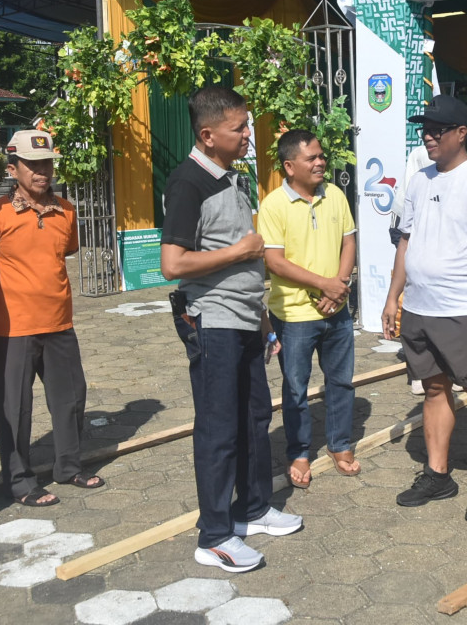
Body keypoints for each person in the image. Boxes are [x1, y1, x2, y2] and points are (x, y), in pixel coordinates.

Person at [160, 86, 301, 573]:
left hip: (246, 318)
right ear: (207, 134)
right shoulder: (188, 182)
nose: (248, 136)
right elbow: (172, 263)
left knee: (255, 417)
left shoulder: (234, 178)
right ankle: (215, 535)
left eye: (247, 126)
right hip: (213, 320)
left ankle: (254, 509)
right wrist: (237, 254)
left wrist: (262, 317)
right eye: (239, 128)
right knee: (219, 428)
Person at [382, 94, 467, 522]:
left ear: (461, 133)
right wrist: (392, 296)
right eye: (424, 129)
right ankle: (438, 475)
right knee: (434, 388)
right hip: (420, 308)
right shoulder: (419, 179)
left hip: (462, 310)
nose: (428, 136)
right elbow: (406, 242)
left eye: (437, 129)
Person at [0, 129, 103, 509]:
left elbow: (63, 253)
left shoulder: (66, 212)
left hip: (59, 324)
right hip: (11, 330)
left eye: (46, 164)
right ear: (13, 168)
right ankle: (19, 480)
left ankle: (68, 466)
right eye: (32, 165)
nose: (41, 172)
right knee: (14, 409)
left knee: (71, 399)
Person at [258, 129, 359, 489]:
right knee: (296, 388)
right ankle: (299, 451)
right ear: (289, 166)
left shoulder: (334, 195)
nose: (320, 163)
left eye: (321, 156)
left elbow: (349, 241)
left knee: (341, 382)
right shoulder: (272, 205)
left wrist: (339, 286)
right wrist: (324, 284)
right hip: (295, 316)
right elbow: (275, 262)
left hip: (338, 312)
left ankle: (340, 444)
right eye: (311, 158)